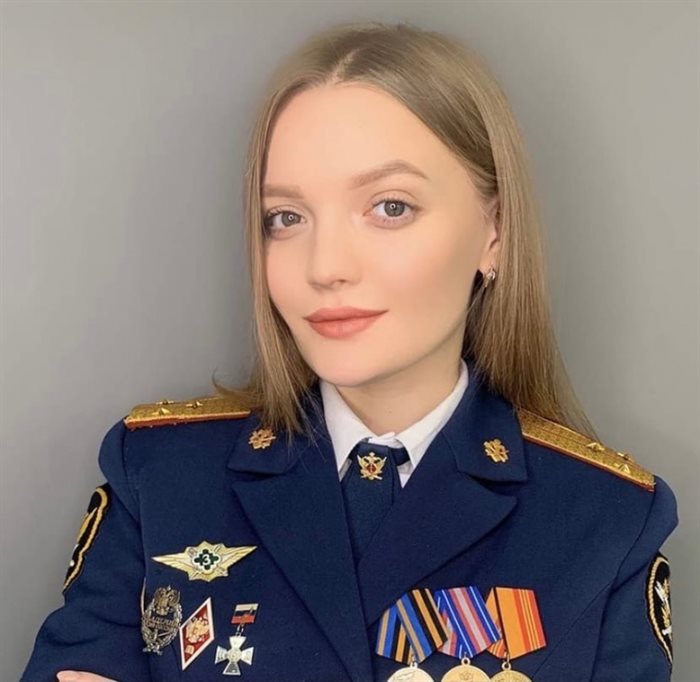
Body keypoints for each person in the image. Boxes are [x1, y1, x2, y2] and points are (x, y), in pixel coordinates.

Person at [21, 19, 677, 682]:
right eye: (286, 218)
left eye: (390, 207)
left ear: (495, 233)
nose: (325, 266)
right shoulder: (161, 477)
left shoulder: (604, 520)